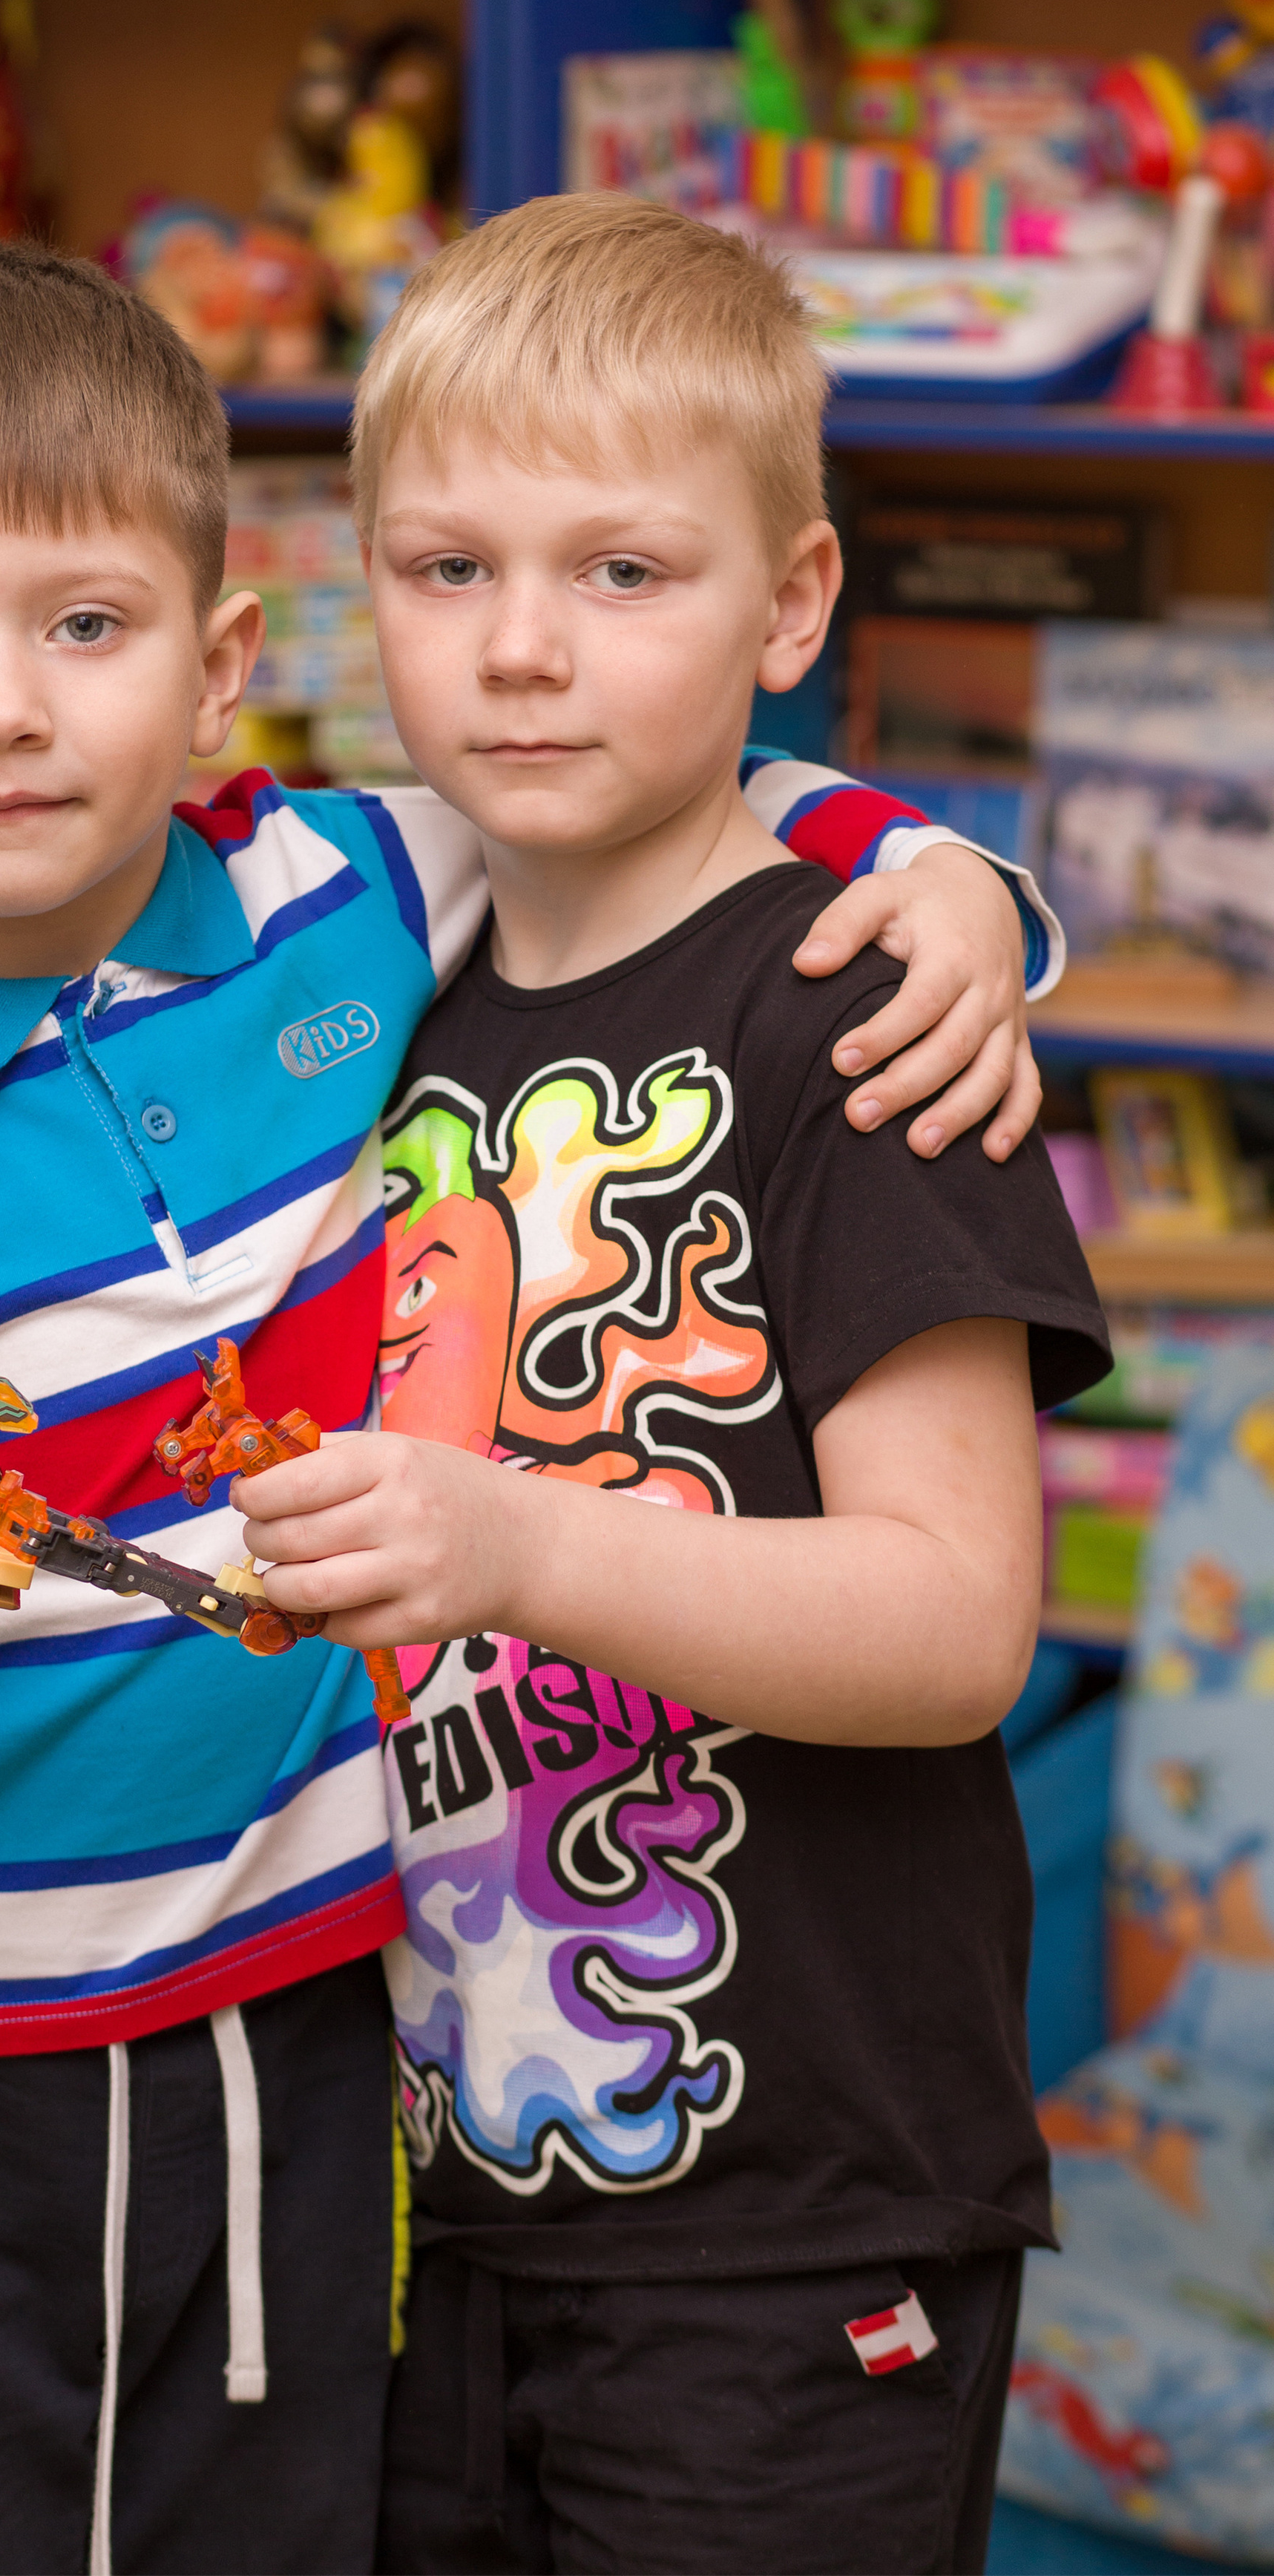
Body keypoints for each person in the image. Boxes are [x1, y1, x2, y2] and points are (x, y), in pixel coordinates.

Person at [0, 232, 1053, 2576]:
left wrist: (949, 874)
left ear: (223, 661)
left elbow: (704, 801)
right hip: (57, 2107)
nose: (0, 710)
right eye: (452, 573)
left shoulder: (376, 912)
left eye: (85, 626)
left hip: (466, 2102)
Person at [217, 195, 1112, 2576]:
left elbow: (954, 1627)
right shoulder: (342, 999)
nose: (523, 648)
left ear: (791, 608)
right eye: (447, 569)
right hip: (395, 2188)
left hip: (791, 2219)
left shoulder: (866, 1016)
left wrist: (516, 1542)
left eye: (624, 573)